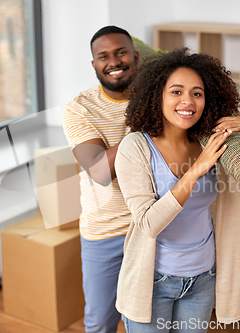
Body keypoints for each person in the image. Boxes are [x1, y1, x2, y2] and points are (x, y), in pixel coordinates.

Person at [114, 48, 240, 332]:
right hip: (153, 282)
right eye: (176, 92)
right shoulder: (135, 148)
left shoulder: (213, 142)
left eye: (197, 93)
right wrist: (197, 170)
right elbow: (148, 223)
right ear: (157, 96)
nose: (187, 102)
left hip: (203, 279)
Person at [62, 25, 139, 332]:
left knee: (145, 319)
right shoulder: (79, 108)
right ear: (94, 64)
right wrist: (146, 125)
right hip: (104, 232)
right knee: (100, 322)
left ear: (134, 56)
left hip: (152, 225)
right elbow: (99, 171)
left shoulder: (161, 95)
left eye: (121, 52)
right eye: (103, 56)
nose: (114, 61)